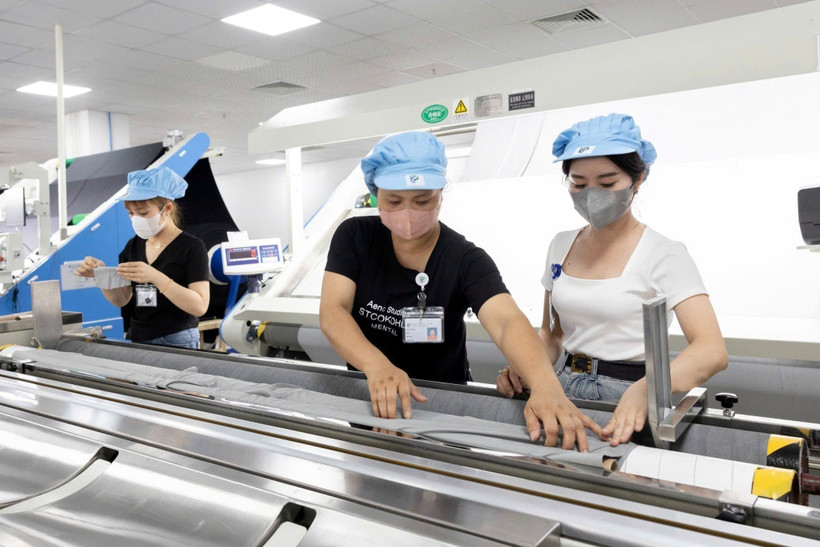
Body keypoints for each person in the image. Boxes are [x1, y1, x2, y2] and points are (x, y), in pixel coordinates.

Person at [320, 131, 603, 451]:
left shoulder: (465, 259)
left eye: (422, 200)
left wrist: (545, 386)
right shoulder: (355, 237)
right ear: (375, 194)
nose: (408, 213)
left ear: (441, 194)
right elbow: (334, 311)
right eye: (394, 201)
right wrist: (377, 366)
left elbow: (506, 320)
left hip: (443, 412)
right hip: (373, 402)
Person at [497, 113, 728, 446]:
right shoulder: (560, 245)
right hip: (561, 385)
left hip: (628, 395)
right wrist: (526, 368)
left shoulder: (664, 253)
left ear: (638, 179)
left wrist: (645, 390)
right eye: (578, 183)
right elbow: (552, 335)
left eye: (607, 184)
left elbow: (711, 350)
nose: (592, 195)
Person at [76, 167, 210, 349]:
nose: (136, 219)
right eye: (131, 213)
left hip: (176, 338)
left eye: (143, 213)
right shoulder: (133, 246)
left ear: (167, 209)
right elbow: (121, 299)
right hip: (139, 336)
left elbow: (200, 306)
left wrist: (155, 277)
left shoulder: (191, 247)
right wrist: (101, 275)